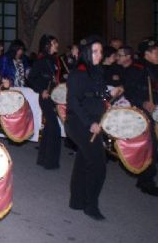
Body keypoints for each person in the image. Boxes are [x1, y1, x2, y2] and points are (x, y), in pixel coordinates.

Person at [66, 37, 123, 220]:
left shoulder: (97, 71)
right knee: (98, 165)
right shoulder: (78, 74)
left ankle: (76, 200)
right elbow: (73, 102)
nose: (99, 55)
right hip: (79, 124)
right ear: (86, 53)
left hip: (93, 122)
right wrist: (89, 123)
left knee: (83, 160)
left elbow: (97, 95)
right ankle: (90, 205)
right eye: (95, 51)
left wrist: (110, 94)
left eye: (100, 51)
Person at [122, 39, 158, 197]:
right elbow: (129, 91)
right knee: (148, 146)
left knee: (156, 144)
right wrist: (143, 101)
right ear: (147, 54)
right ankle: (146, 181)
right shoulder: (135, 69)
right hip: (144, 113)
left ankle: (145, 177)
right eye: (157, 52)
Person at [27, 34, 62, 169]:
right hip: (45, 98)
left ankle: (43, 159)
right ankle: (51, 162)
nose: (56, 45)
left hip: (54, 97)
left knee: (48, 128)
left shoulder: (55, 60)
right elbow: (31, 78)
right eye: (54, 43)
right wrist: (41, 90)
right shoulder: (41, 61)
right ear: (47, 45)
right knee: (54, 128)